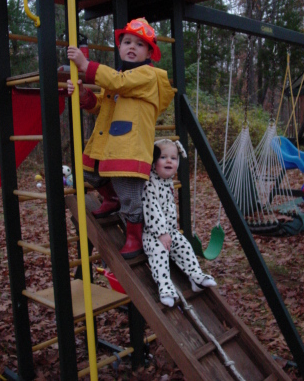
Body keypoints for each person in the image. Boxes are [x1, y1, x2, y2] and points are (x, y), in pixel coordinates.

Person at [67, 18, 175, 259]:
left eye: (140, 44)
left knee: (130, 195)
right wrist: (84, 95)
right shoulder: (118, 77)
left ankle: (134, 238)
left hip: (130, 147)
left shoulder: (148, 75)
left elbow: (118, 83)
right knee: (88, 173)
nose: (132, 47)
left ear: (149, 52)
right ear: (119, 47)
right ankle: (111, 199)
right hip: (107, 145)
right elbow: (102, 107)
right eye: (127, 42)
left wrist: (86, 64)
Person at [142, 139, 217, 307]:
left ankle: (196, 277)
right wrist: (162, 233)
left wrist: (170, 232)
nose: (169, 161)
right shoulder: (149, 183)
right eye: (163, 157)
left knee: (184, 245)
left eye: (173, 158)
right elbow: (151, 209)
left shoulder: (168, 182)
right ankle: (165, 287)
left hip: (170, 231)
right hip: (153, 235)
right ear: (154, 162)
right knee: (159, 253)